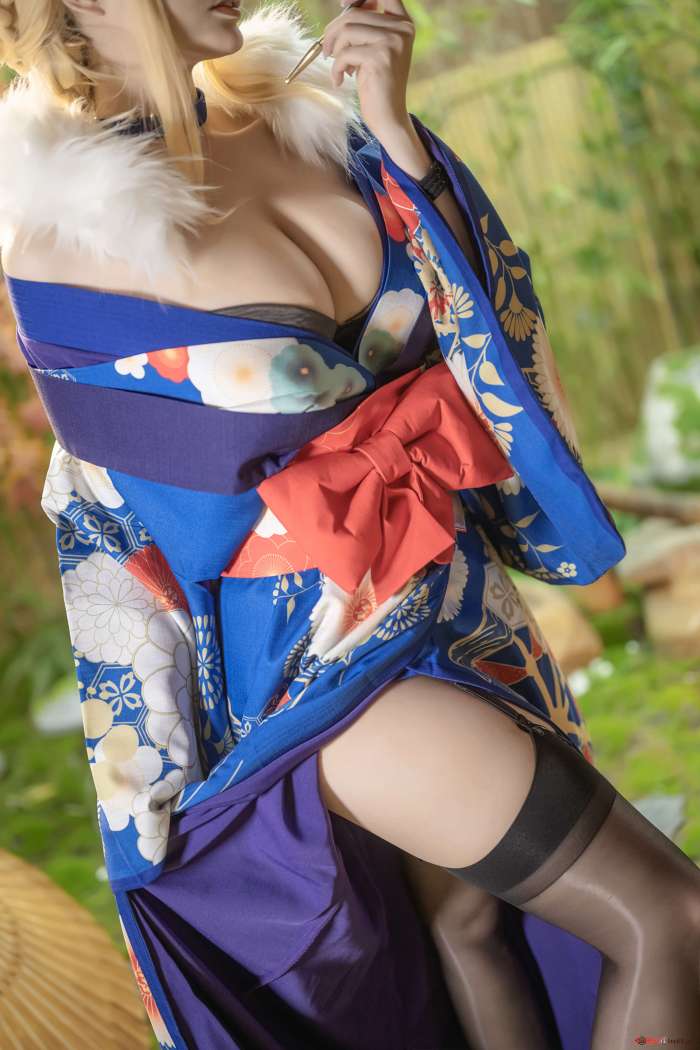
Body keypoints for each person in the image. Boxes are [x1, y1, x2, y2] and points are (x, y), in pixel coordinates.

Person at [0, 1, 698, 1048]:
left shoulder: (302, 118)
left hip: (460, 597)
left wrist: (396, 133)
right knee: (667, 916)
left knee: (476, 929)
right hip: (324, 671)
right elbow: (121, 522)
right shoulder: (62, 245)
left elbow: (479, 331)